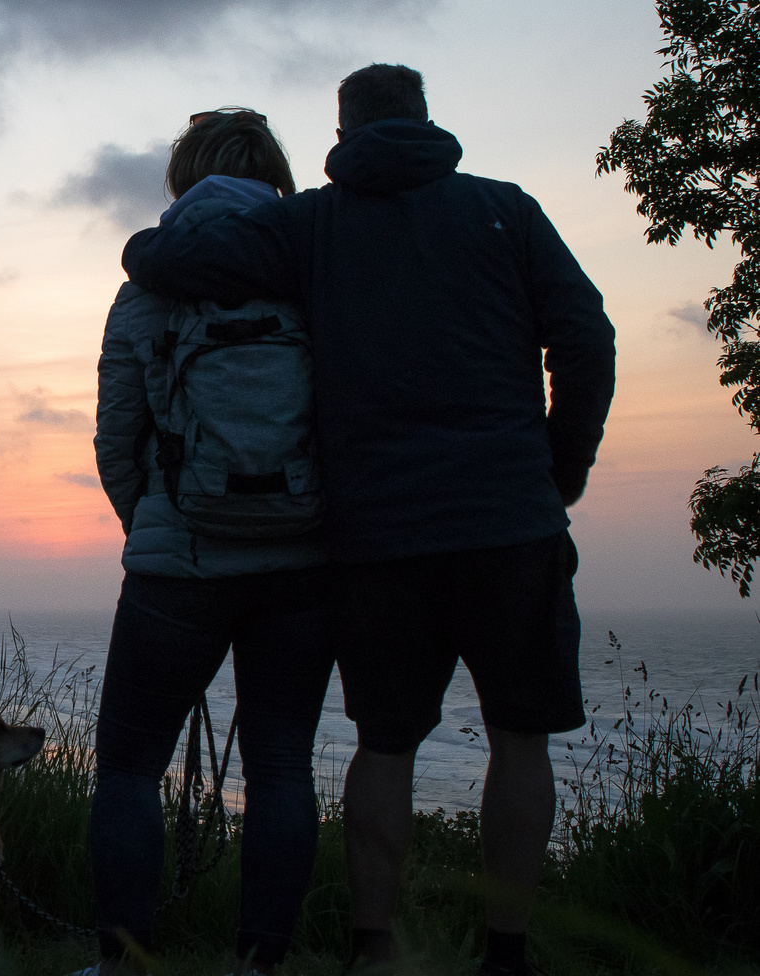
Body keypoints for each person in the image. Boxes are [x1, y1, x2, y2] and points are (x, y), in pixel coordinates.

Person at [121, 65, 616, 975]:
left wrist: (140, 254)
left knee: (385, 744)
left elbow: (188, 261)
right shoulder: (505, 210)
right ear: (428, 120)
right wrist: (559, 469)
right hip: (511, 522)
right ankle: (505, 951)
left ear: (341, 137)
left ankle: (372, 947)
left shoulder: (313, 224)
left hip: (380, 537)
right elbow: (586, 337)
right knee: (520, 739)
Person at [89, 109, 335, 974]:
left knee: (126, 768)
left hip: (176, 563)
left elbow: (117, 439)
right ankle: (260, 963)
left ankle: (124, 962)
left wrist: (153, 523)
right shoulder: (315, 269)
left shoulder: (150, 283)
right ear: (276, 173)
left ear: (182, 178)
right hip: (304, 565)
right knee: (280, 768)